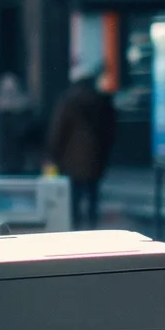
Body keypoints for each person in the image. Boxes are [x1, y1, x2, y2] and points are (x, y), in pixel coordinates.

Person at [46, 69, 118, 230]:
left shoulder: (68, 101)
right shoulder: (101, 101)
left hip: (71, 160)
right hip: (95, 158)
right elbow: (110, 131)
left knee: (74, 199)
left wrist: (53, 154)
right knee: (93, 196)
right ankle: (92, 227)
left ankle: (75, 228)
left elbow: (58, 130)